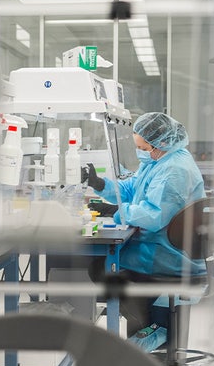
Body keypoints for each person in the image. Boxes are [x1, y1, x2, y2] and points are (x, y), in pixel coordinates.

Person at [81, 111, 206, 338]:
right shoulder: (159, 159)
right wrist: (99, 184)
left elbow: (153, 216)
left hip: (167, 256)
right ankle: (146, 326)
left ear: (163, 141)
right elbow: (131, 189)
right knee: (101, 267)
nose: (141, 153)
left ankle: (145, 329)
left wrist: (116, 212)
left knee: (100, 269)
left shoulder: (175, 170)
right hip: (157, 248)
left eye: (144, 148)